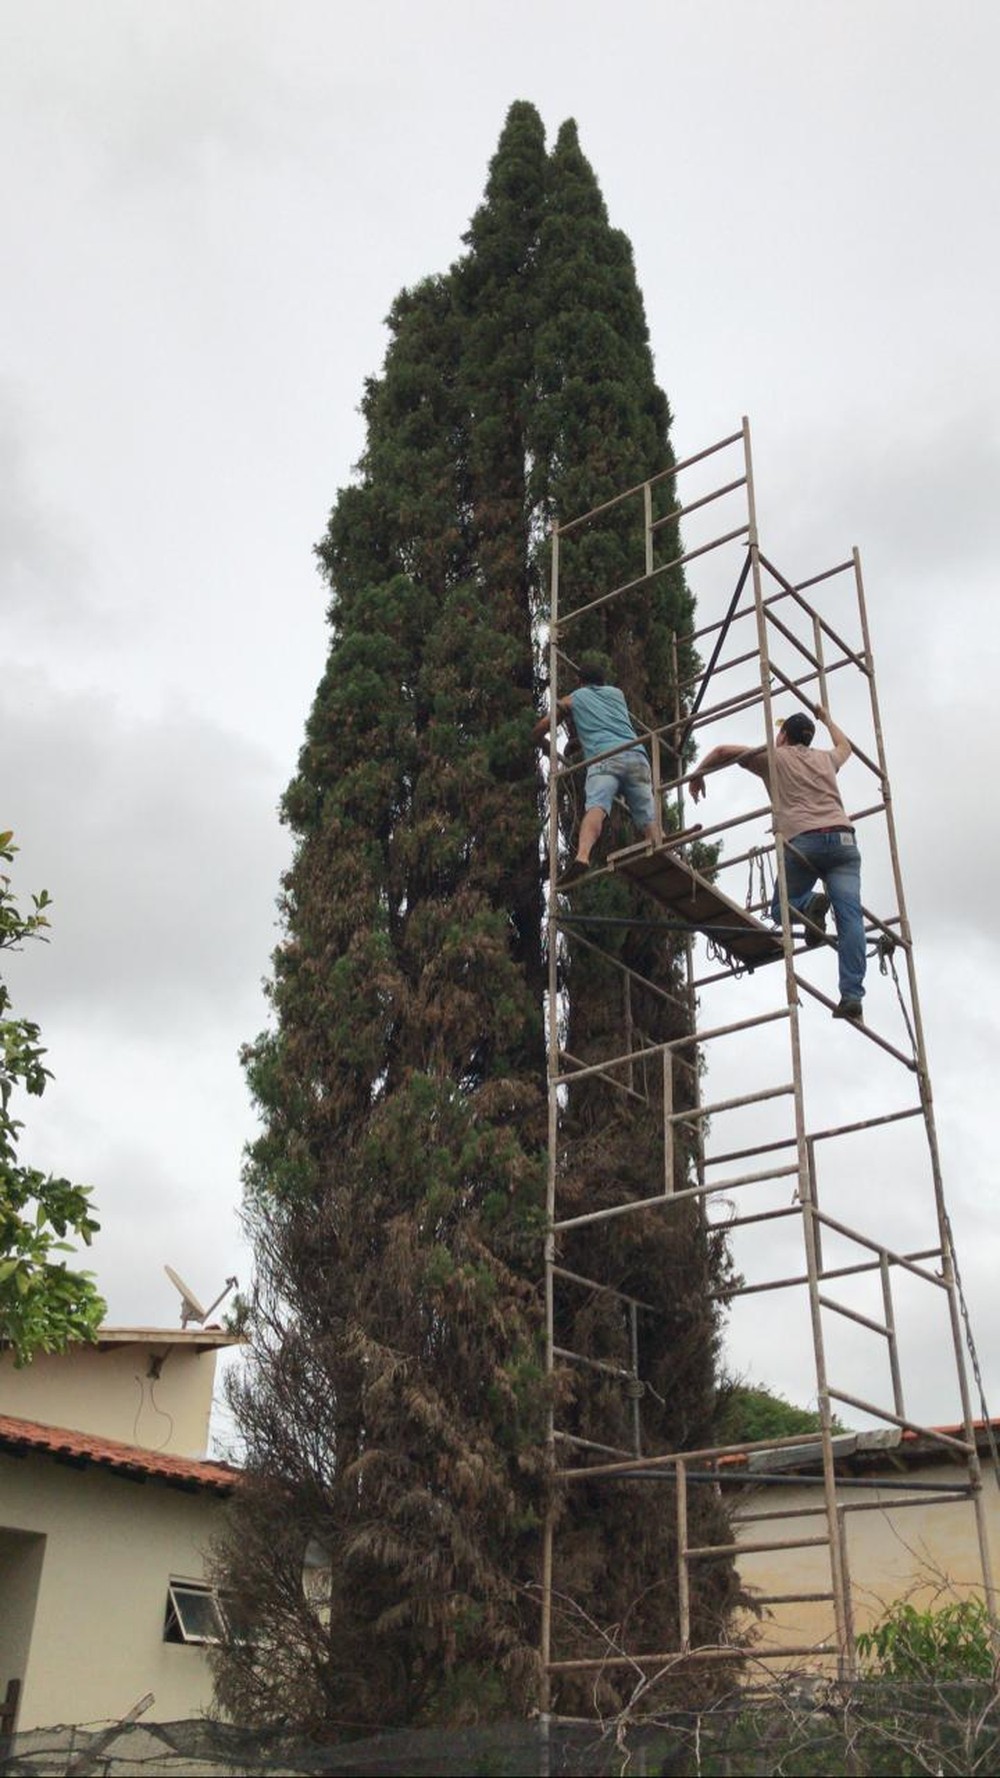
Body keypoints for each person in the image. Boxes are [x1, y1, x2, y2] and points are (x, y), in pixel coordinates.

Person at [690, 707, 866, 1023]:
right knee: (851, 919)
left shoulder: (774, 757)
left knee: (779, 908)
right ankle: (852, 995)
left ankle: (810, 905)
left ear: (783, 736)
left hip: (804, 841)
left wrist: (698, 773)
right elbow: (846, 748)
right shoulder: (826, 759)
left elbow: (722, 751)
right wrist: (828, 718)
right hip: (843, 840)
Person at [533, 656, 657, 884]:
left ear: (579, 680)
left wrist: (535, 737)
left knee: (597, 807)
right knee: (646, 815)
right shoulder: (616, 694)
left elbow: (545, 725)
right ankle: (659, 844)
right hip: (637, 756)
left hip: (605, 758)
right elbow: (607, 724)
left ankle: (582, 856)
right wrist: (578, 742)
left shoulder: (576, 697)